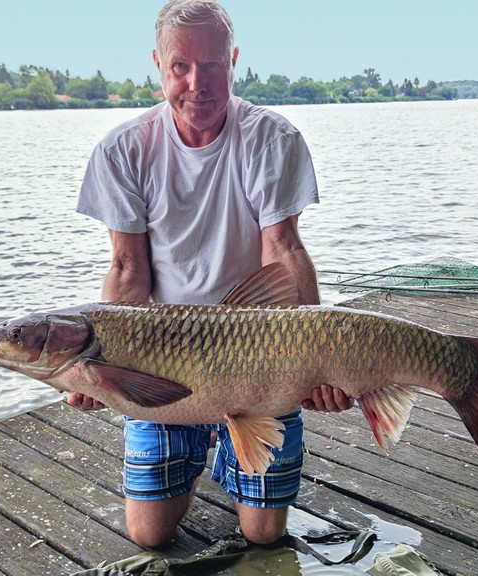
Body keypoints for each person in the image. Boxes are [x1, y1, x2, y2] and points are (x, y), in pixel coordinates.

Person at [71, 0, 352, 548]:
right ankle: (196, 451)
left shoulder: (271, 137)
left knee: (263, 534)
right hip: (164, 355)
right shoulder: (123, 149)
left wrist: (319, 363)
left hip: (259, 347)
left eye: (213, 65)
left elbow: (283, 248)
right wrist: (105, 371)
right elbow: (128, 269)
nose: (197, 83)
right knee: (148, 535)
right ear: (159, 65)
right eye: (181, 66)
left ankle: (229, 450)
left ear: (234, 62)